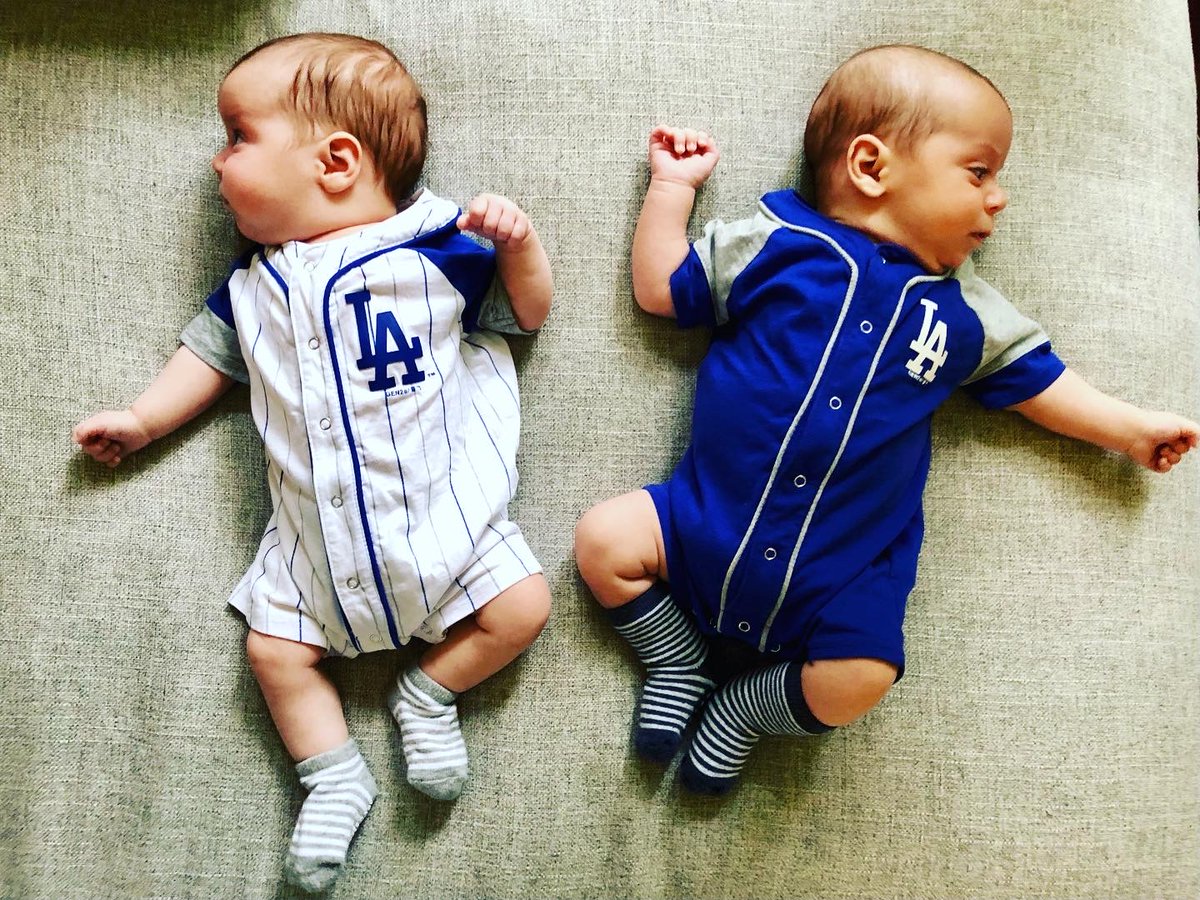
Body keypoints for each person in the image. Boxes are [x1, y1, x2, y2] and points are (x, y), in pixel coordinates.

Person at [574, 44, 1198, 797]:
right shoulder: (779, 245)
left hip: (841, 574)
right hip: (704, 526)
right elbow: (663, 288)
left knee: (861, 679)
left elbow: (1040, 381)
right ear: (871, 166)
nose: (999, 198)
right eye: (979, 171)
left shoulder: (963, 309)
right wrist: (671, 188)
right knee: (602, 539)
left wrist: (1127, 429)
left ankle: (744, 709)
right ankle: (674, 657)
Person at [73, 33, 553, 892]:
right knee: (272, 653)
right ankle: (333, 773)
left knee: (523, 606)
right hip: (311, 553)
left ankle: (428, 694)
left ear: (336, 162)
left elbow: (525, 315)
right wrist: (144, 421)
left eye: (236, 136)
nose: (216, 164)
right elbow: (208, 359)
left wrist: (519, 249)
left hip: (446, 526)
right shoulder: (255, 286)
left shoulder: (438, 248)